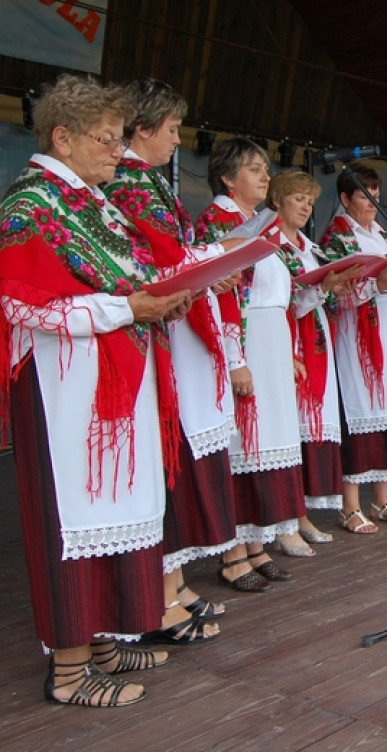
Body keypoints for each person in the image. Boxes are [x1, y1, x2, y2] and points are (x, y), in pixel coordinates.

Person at [0, 74, 191, 707]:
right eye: (107, 139)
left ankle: (103, 638)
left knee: (115, 512)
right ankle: (69, 671)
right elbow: (24, 305)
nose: (118, 150)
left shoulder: (90, 199)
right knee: (73, 519)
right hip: (64, 389)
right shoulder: (30, 203)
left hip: (112, 378)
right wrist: (125, 309)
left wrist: (159, 297)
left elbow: (129, 275)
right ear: (63, 136)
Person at [105, 77, 226, 643]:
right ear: (143, 129)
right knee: (156, 457)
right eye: (173, 129)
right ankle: (160, 586)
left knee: (165, 458)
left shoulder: (144, 181)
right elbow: (163, 258)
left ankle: (172, 581)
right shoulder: (128, 185)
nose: (178, 140)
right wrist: (219, 253)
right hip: (145, 328)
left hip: (161, 327)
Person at [195, 137, 300, 589]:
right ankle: (233, 552)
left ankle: (256, 543)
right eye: (254, 169)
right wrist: (235, 358)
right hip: (246, 341)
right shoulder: (217, 223)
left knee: (264, 445)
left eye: (264, 168)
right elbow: (224, 297)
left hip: (271, 340)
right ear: (226, 177)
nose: (264, 176)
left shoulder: (258, 223)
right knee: (242, 444)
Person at [265, 170, 363, 551]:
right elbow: (284, 303)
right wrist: (322, 288)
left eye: (309, 200)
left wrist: (334, 286)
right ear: (277, 201)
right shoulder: (271, 244)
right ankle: (287, 518)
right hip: (289, 340)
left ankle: (301, 512)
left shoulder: (307, 246)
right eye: (297, 198)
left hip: (316, 338)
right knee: (289, 431)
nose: (306, 206)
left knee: (310, 427)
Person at [319, 163, 387, 534]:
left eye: (376, 195)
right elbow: (333, 296)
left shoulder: (384, 234)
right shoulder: (336, 238)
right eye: (364, 195)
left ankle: (383, 498)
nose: (373, 202)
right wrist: (378, 285)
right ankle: (350, 505)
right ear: (345, 198)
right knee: (363, 408)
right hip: (357, 335)